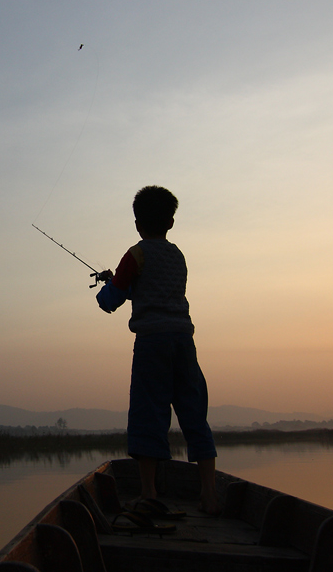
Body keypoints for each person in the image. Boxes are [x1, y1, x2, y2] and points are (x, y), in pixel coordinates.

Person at [96, 185, 219, 515]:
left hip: (152, 344)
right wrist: (126, 282)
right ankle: (209, 494)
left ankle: (149, 493)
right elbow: (156, 292)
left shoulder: (135, 255)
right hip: (183, 342)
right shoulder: (178, 257)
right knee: (195, 415)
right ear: (171, 223)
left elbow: (110, 301)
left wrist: (109, 285)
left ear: (137, 223)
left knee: (148, 413)